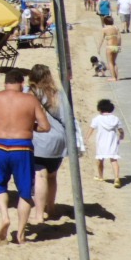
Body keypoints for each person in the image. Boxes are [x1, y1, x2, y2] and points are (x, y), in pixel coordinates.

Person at [0, 69, 51, 246]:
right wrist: (29, 127)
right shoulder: (30, 100)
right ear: (22, 83)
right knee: (25, 191)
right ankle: (20, 234)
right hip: (22, 147)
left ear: (5, 83)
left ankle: (4, 216)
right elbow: (45, 126)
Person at [27, 64, 80, 228]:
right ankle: (51, 209)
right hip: (59, 140)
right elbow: (67, 119)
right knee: (52, 176)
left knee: (40, 176)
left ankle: (38, 214)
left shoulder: (29, 94)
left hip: (40, 139)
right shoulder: (58, 95)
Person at [90, 99, 125, 187]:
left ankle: (101, 176)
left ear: (100, 109)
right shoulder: (115, 118)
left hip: (101, 142)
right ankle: (116, 178)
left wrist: (86, 138)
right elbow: (120, 129)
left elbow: (91, 128)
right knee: (114, 160)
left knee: (100, 160)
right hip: (112, 141)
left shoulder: (97, 119)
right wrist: (122, 135)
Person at [99, 16, 122, 81]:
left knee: (110, 62)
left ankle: (113, 77)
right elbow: (119, 37)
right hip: (116, 46)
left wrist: (99, 48)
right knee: (114, 62)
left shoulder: (104, 29)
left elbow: (101, 39)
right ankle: (117, 76)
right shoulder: (116, 28)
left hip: (109, 46)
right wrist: (119, 45)